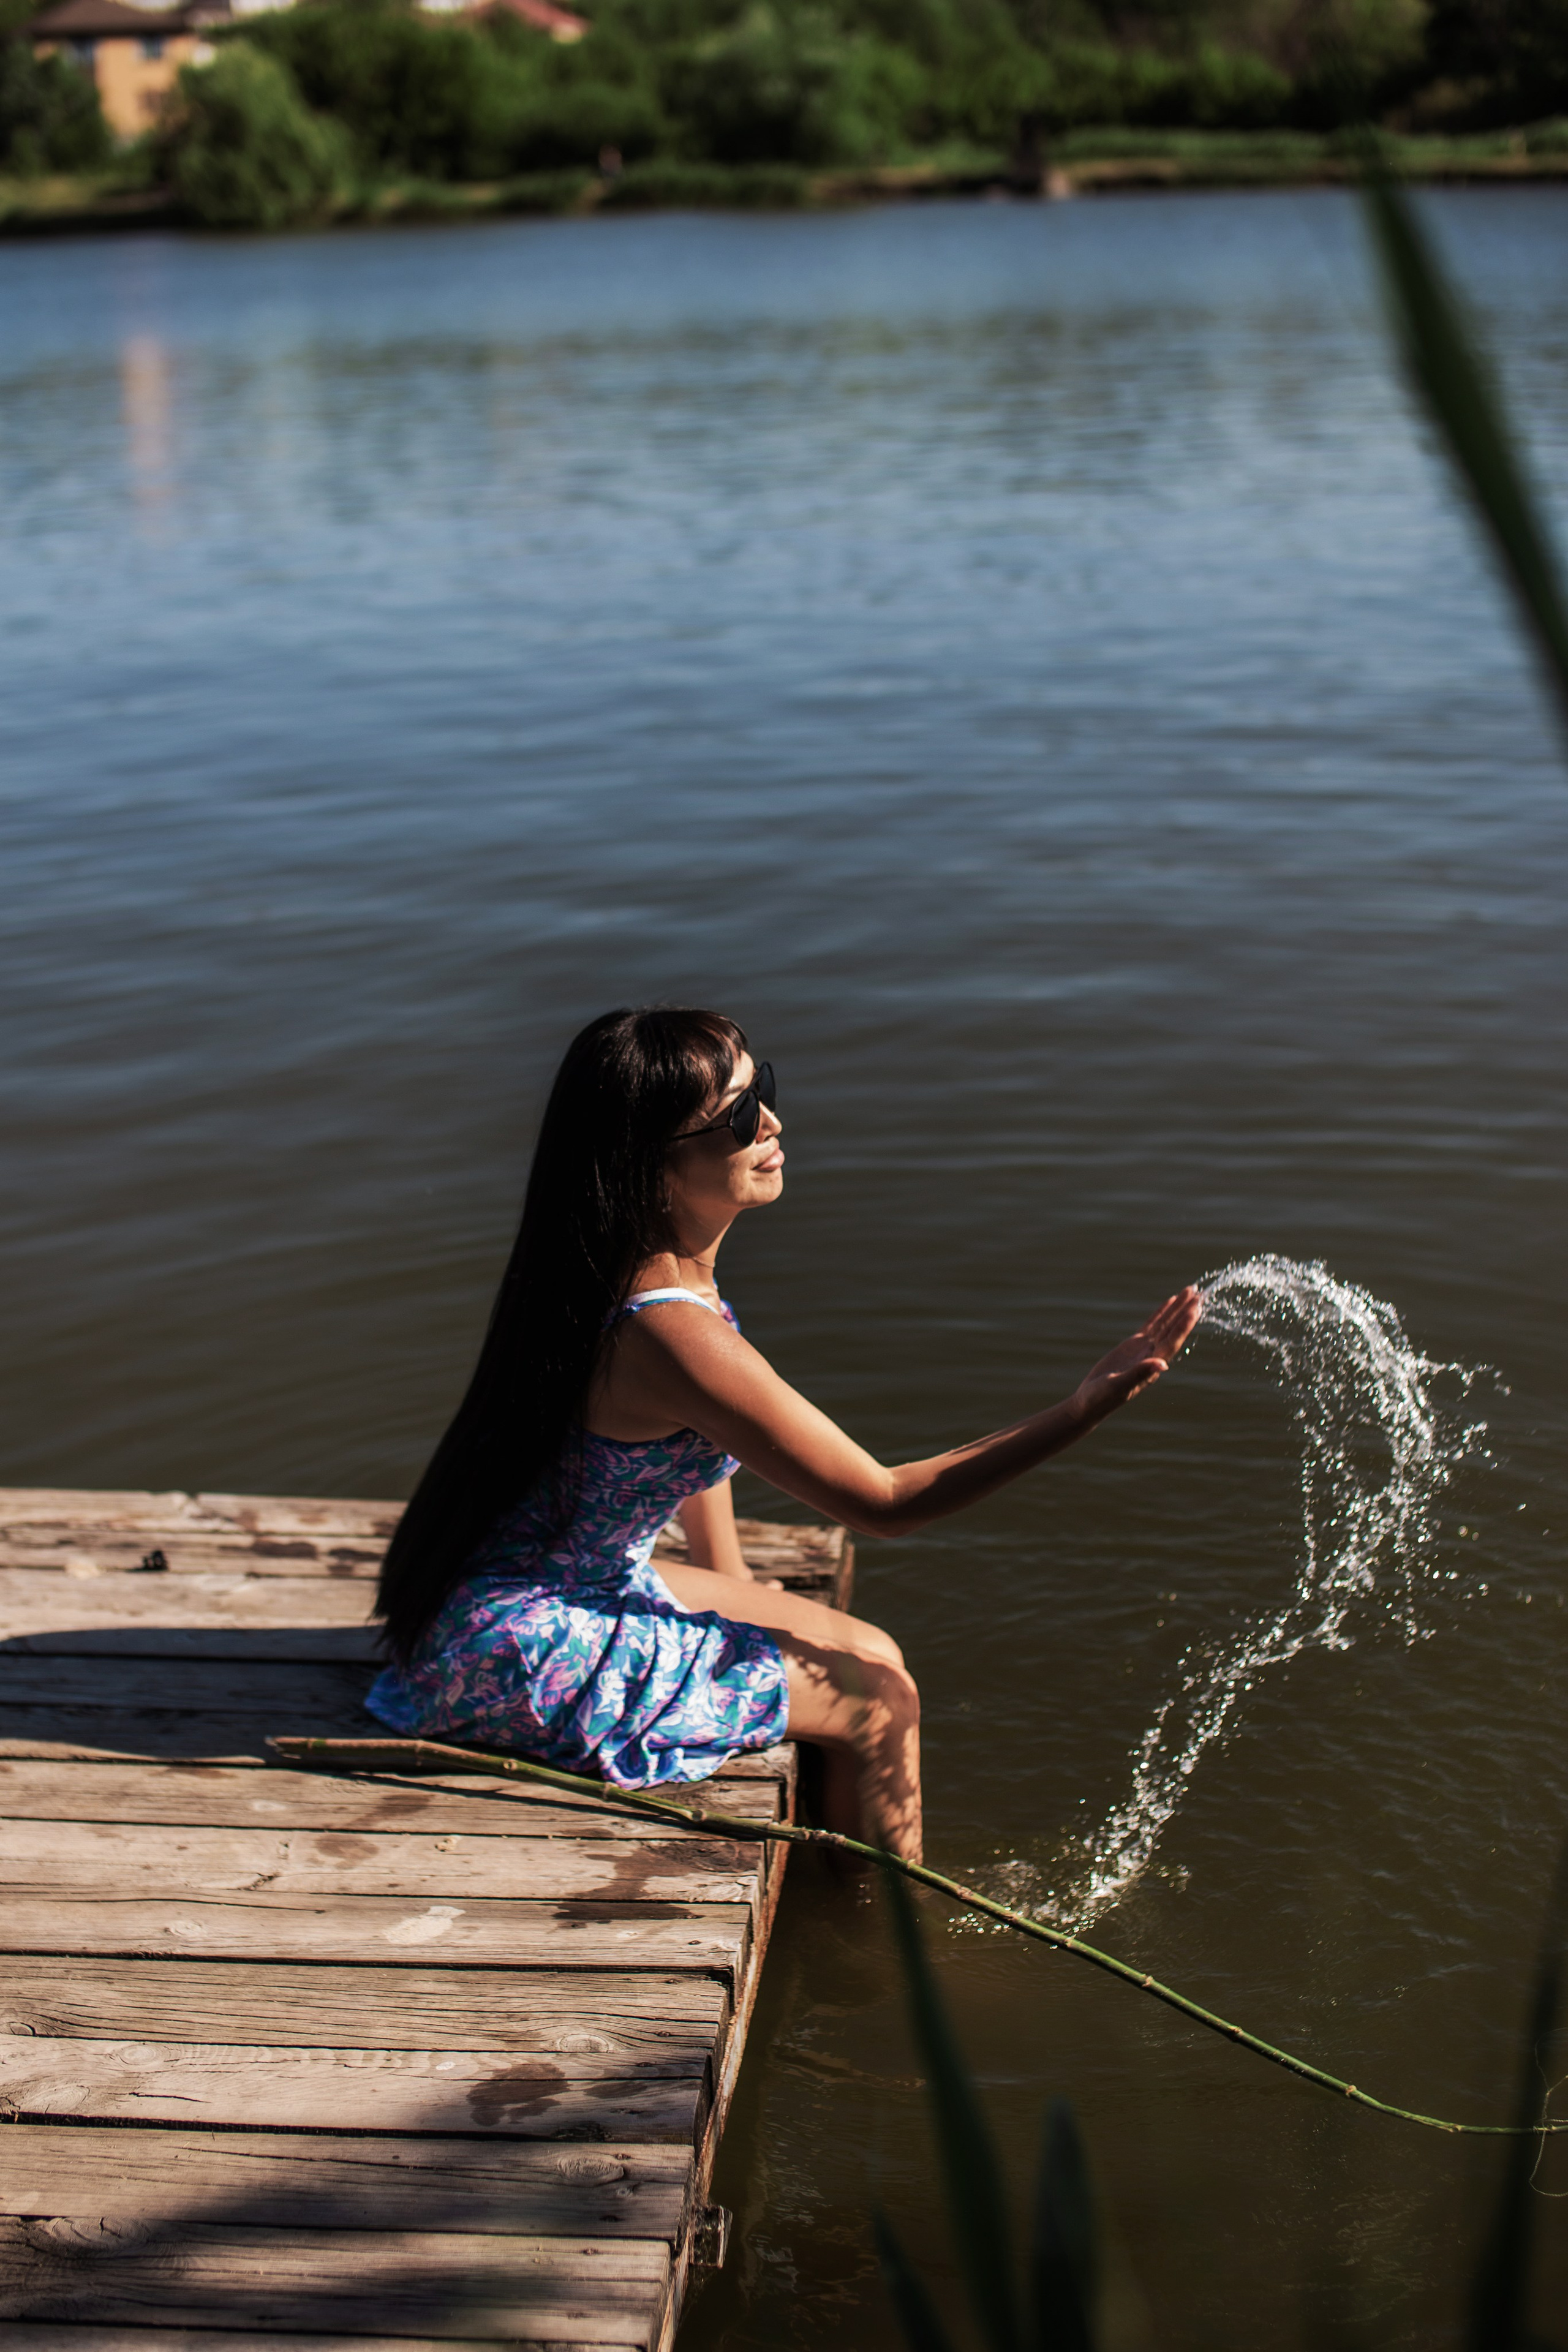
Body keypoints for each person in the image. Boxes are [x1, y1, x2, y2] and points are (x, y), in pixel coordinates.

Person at [370, 1006, 1200, 1861]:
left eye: (759, 1089)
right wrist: (1083, 1409)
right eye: (736, 1116)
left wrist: (736, 1602)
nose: (771, 1122)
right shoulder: (673, 1334)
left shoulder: (617, 1272)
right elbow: (885, 1503)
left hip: (517, 1586)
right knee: (882, 1702)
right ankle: (876, 1929)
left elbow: (697, 1453)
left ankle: (846, 1880)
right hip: (516, 1642)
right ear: (653, 1168)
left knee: (873, 1650)